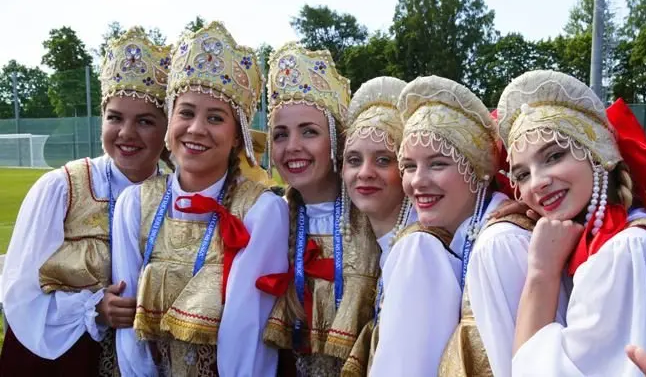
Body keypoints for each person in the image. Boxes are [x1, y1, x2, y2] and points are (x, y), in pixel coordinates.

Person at [111, 21, 288, 376]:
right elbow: (128, 323)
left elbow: (247, 329)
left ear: (237, 137)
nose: (196, 129)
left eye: (215, 117)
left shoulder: (261, 209)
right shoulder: (134, 204)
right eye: (186, 112)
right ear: (170, 122)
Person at [495, 70, 646, 375]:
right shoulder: (625, 235)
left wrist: (541, 273)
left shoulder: (627, 251)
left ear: (597, 154)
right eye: (522, 174)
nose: (537, 182)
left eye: (553, 156)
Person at [0, 27, 171, 376]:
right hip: (69, 360)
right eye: (115, 118)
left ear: (166, 129)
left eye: (145, 121)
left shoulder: (175, 196)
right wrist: (93, 309)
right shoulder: (62, 189)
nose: (126, 133)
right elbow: (20, 292)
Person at [364, 75, 528, 376]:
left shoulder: (501, 243)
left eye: (438, 164)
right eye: (409, 166)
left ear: (478, 170)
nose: (417, 182)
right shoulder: (449, 236)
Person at [257, 42, 379, 376]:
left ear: (336, 141)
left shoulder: (373, 215)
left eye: (309, 132)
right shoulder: (271, 219)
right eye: (280, 135)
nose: (292, 146)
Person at [336, 76, 418, 376]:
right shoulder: (383, 241)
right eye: (354, 160)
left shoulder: (417, 247)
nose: (365, 173)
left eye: (383, 160)